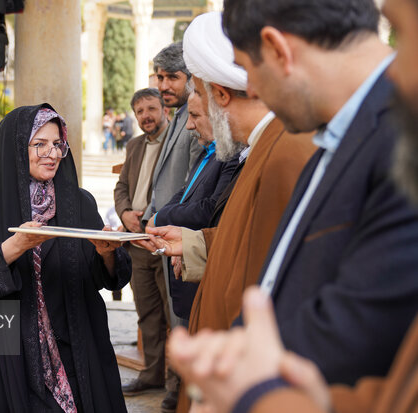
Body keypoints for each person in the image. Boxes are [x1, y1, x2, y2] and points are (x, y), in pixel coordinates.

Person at [167, 0, 418, 411]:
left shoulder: (398, 133)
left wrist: (251, 387)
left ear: (278, 50)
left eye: (251, 72)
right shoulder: (333, 138)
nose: (254, 90)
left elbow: (363, 321)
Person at [136, 13, 315, 412]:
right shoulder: (263, 147)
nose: (189, 110)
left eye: (195, 93)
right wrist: (195, 242)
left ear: (219, 93)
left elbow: (274, 278)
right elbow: (252, 239)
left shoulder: (284, 152)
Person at [0, 104, 132, 412]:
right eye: (40, 144)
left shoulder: (78, 201)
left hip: (72, 341)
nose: (52, 153)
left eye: (57, 144)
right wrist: (17, 245)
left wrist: (106, 255)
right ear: (17, 147)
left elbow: (108, 275)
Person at [141, 41, 204, 412]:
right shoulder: (176, 114)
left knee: (182, 318)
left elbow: (191, 184)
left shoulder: (195, 115)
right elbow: (161, 178)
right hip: (162, 232)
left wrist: (167, 220)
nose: (164, 85)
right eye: (160, 77)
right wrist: (150, 212)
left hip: (180, 234)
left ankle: (180, 393)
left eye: (172, 78)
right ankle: (173, 387)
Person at [149, 90, 238, 322]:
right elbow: (184, 192)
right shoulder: (207, 150)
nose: (189, 126)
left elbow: (210, 208)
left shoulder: (232, 155)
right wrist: (161, 215)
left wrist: (160, 219)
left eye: (195, 116)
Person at [114, 88, 171, 398]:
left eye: (151, 108)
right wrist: (125, 214)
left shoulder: (176, 141)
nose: (146, 116)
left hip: (164, 239)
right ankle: (151, 375)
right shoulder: (134, 145)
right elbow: (121, 186)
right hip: (136, 241)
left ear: (163, 109)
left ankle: (177, 382)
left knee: (172, 314)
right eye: (140, 111)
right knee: (147, 313)